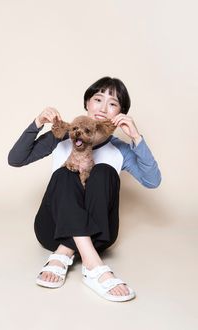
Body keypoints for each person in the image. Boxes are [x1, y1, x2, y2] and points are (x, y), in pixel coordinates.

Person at [8, 76, 161, 302]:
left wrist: (136, 138)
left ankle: (63, 254)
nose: (103, 108)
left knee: (104, 171)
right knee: (65, 172)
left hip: (99, 233)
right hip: (53, 229)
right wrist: (37, 123)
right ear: (87, 103)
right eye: (98, 99)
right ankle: (93, 266)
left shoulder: (120, 149)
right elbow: (15, 159)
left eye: (112, 104)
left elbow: (152, 181)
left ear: (120, 113)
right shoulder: (64, 135)